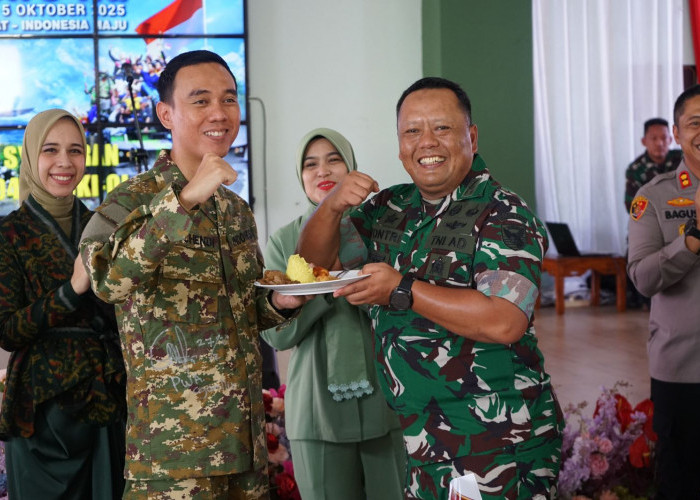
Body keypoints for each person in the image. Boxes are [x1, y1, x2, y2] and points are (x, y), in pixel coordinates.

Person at [297, 77, 563, 500]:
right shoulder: (389, 208)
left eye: (442, 128)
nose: (427, 142)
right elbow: (313, 265)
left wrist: (401, 289)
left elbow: (504, 320)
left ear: (471, 136)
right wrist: (332, 206)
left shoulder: (503, 212)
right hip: (424, 441)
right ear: (400, 144)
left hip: (497, 442)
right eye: (412, 131)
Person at [78, 50, 309, 498]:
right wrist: (183, 201)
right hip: (173, 461)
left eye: (229, 99)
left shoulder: (235, 211)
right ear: (166, 114)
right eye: (201, 100)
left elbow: (245, 310)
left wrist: (279, 302)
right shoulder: (129, 200)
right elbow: (108, 282)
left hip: (245, 450)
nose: (219, 113)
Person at [261, 128, 405, 499]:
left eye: (333, 159)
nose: (322, 171)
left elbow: (408, 308)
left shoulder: (382, 229)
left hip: (388, 402)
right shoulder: (285, 242)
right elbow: (277, 336)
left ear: (351, 167)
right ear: (301, 176)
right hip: (317, 413)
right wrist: (322, 289)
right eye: (310, 164)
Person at [0, 109, 126, 499]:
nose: (65, 162)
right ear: (30, 156)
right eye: (50, 149)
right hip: (41, 415)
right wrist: (71, 290)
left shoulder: (104, 226)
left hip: (105, 402)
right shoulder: (9, 234)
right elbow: (8, 331)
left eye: (75, 150)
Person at [627, 85, 700, 499]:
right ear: (677, 132)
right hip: (684, 370)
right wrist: (691, 240)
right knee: (681, 484)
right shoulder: (653, 196)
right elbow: (642, 278)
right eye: (695, 122)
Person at [624, 118, 682, 212]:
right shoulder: (636, 170)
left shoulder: (683, 159)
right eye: (654, 138)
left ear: (670, 140)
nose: (659, 143)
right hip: (652, 218)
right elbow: (633, 208)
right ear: (644, 141)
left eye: (664, 138)